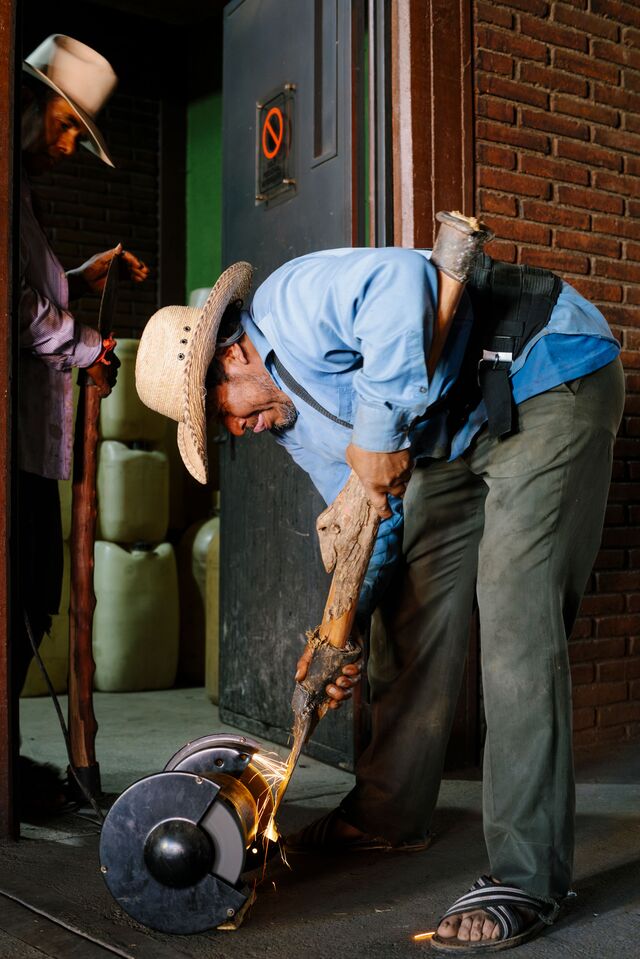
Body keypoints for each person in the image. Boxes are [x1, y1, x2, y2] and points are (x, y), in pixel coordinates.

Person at [135, 217, 623, 952]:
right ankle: (388, 816)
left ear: (231, 358)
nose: (236, 431)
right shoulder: (294, 426)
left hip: (545, 373)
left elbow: (405, 282)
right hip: (460, 432)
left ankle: (529, 874)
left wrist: (377, 432)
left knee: (514, 605)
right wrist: (343, 628)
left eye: (219, 414)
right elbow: (371, 524)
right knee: (407, 607)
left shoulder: (293, 300)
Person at [18, 35, 149, 815]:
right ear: (30, 107)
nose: (68, 146)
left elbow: (34, 295)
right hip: (14, 447)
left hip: (32, 446)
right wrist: (90, 345)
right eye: (66, 127)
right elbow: (18, 314)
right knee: (24, 596)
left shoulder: (22, 199)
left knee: (34, 595)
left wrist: (79, 276)